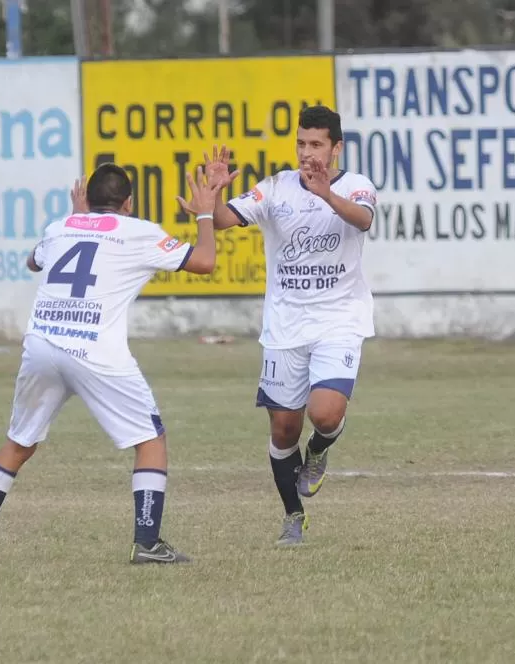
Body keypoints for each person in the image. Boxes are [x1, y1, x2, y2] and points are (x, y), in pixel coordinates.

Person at [0, 163, 226, 566]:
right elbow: (204, 261)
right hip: (95, 350)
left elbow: (34, 262)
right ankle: (147, 543)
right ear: (128, 203)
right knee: (150, 440)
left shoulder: (59, 226)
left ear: (88, 199)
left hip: (43, 343)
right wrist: (205, 213)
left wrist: (75, 219)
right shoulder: (139, 232)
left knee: (19, 442)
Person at [203, 105, 378, 546]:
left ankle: (318, 452)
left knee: (324, 413)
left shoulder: (356, 187)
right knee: (283, 430)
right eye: (301, 143)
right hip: (285, 326)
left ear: (336, 148)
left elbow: (364, 220)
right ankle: (293, 517)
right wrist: (213, 196)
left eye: (316, 144)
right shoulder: (277, 187)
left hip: (339, 319)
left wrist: (326, 195)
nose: (307, 153)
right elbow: (225, 220)